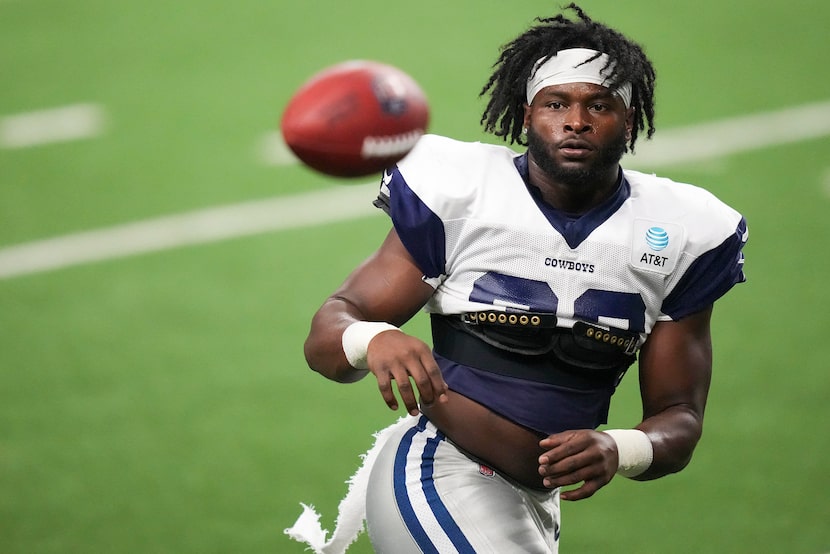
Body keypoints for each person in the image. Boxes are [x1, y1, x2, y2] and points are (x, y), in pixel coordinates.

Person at [287, 3, 747, 553]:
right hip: (440, 469)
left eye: (598, 106)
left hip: (534, 501)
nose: (575, 121)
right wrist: (374, 338)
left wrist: (619, 447)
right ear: (527, 115)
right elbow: (327, 340)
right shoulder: (463, 195)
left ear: (628, 120)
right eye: (557, 104)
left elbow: (680, 418)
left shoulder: (685, 230)